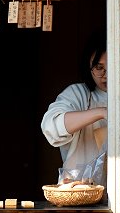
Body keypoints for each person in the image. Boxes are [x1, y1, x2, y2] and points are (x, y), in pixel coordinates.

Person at [41, 37, 108, 186]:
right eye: (99, 68)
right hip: (79, 187)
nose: (106, 75)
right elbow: (51, 127)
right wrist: (101, 112)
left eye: (112, 67)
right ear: (89, 66)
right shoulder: (78, 93)